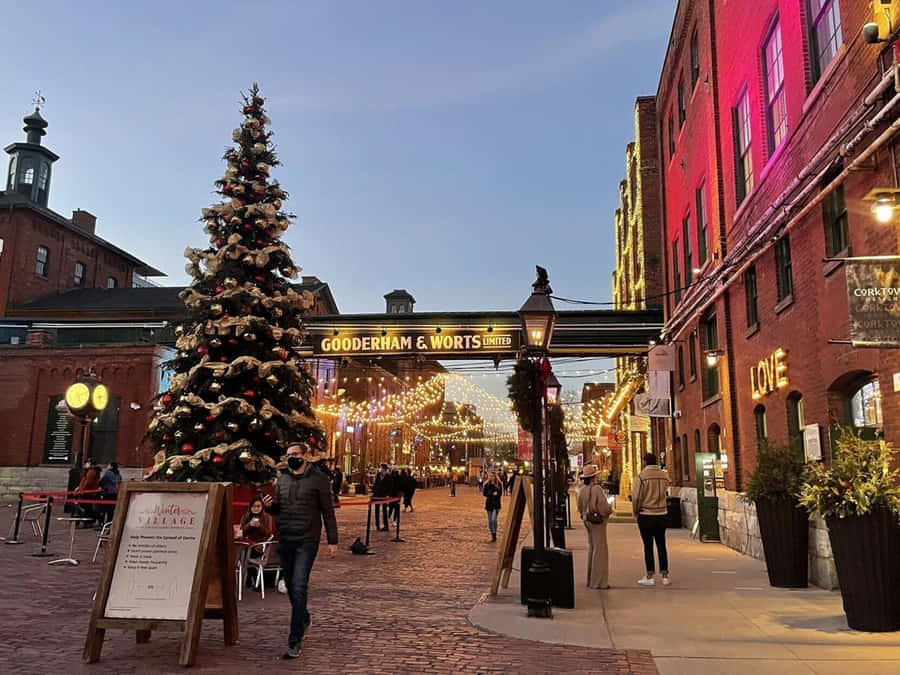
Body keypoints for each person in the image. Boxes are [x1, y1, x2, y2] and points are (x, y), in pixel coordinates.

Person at [262, 442, 338, 660]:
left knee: (298, 585)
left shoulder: (319, 479)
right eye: (288, 455)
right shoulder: (283, 479)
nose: (292, 458)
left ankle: (294, 640)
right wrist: (269, 507)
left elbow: (328, 511)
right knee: (291, 588)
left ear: (306, 456)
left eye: (295, 454)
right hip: (286, 538)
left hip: (307, 539)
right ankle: (303, 616)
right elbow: (279, 508)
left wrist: (333, 540)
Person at [632, 452, 671, 587]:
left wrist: (636, 511)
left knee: (648, 545)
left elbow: (636, 497)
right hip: (662, 513)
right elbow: (667, 491)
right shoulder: (664, 476)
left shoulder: (642, 477)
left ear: (645, 462)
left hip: (646, 513)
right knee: (661, 544)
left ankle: (650, 575)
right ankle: (665, 575)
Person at [577, 464, 612, 589]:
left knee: (592, 548)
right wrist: (610, 509)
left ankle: (590, 579)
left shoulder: (582, 490)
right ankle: (599, 582)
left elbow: (579, 508)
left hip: (587, 521)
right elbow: (604, 508)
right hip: (598, 522)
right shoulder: (597, 489)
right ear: (593, 477)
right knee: (600, 550)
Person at [75, 459, 101, 525]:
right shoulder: (91, 471)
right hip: (88, 492)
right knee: (87, 507)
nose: (85, 464)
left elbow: (88, 483)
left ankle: (87, 521)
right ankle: (88, 521)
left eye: (87, 463)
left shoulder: (91, 472)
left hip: (86, 493)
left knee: (84, 507)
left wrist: (82, 490)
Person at [482, 471, 503, 542]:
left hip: (496, 505)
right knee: (490, 521)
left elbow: (500, 494)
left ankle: (494, 534)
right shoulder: (487, 484)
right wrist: (491, 493)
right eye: (490, 476)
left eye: (493, 476)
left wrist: (496, 494)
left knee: (494, 519)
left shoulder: (499, 484)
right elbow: (484, 494)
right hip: (489, 504)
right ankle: (492, 534)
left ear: (495, 476)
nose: (491, 477)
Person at [372, 463, 393, 531]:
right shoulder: (378, 475)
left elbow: (390, 487)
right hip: (377, 495)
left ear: (384, 469)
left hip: (384, 495)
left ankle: (386, 526)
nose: (380, 469)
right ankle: (377, 525)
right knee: (376, 510)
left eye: (381, 468)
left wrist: (388, 494)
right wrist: (373, 493)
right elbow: (375, 484)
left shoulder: (388, 477)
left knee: (384, 511)